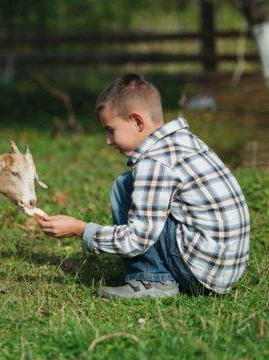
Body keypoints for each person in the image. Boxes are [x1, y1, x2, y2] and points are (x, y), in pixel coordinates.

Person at [38, 73, 250, 298]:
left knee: (123, 186)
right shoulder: (183, 140)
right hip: (224, 268)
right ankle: (158, 274)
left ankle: (151, 280)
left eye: (111, 130)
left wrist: (80, 229)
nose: (108, 141)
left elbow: (136, 239)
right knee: (129, 183)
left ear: (137, 121)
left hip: (202, 276)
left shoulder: (153, 164)